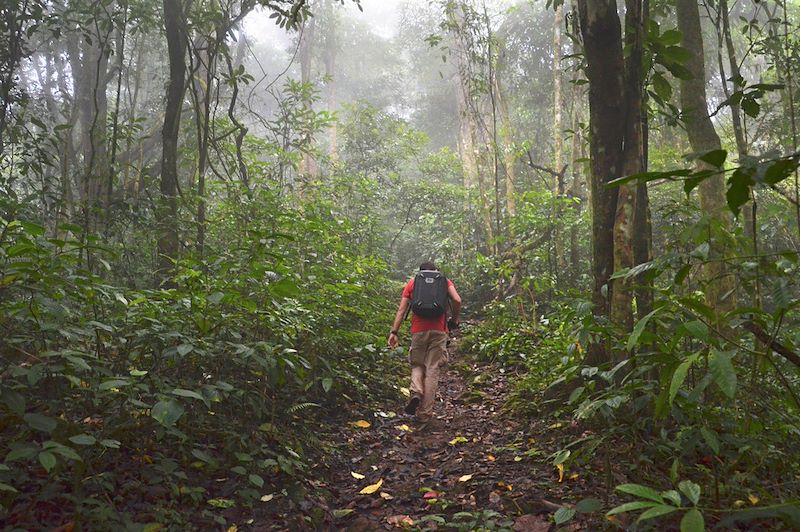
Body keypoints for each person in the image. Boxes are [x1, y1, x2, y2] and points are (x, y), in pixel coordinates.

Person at [387, 261, 461, 421]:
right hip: (439, 330)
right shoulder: (444, 281)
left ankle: (416, 391)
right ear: (435, 270)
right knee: (432, 369)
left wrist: (394, 332)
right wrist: (454, 320)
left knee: (417, 364)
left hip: (418, 331)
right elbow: (457, 300)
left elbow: (401, 310)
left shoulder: (413, 282)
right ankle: (425, 413)